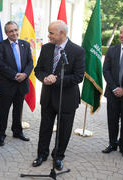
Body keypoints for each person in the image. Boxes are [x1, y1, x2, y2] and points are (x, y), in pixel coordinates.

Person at [32, 20, 85, 170]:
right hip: (48, 97)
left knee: (64, 130)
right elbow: (38, 70)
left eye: (51, 33)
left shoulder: (77, 51)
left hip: (67, 99)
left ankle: (58, 156)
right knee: (45, 128)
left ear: (62, 33)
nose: (48, 36)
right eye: (49, 32)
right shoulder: (46, 48)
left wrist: (56, 80)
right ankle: (41, 154)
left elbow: (78, 76)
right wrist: (44, 78)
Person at [0, 21, 33, 146]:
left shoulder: (25, 45)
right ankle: (0, 134)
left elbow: (30, 63)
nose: (14, 33)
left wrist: (25, 74)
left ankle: (17, 131)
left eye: (16, 30)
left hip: (21, 84)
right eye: (11, 31)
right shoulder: (0, 45)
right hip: (7, 85)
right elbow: (1, 65)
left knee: (18, 110)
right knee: (3, 111)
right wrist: (15, 75)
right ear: (6, 33)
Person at [102, 23, 123, 159]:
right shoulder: (112, 50)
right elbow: (105, 70)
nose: (122, 35)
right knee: (112, 120)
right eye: (121, 32)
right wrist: (114, 88)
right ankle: (112, 144)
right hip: (112, 93)